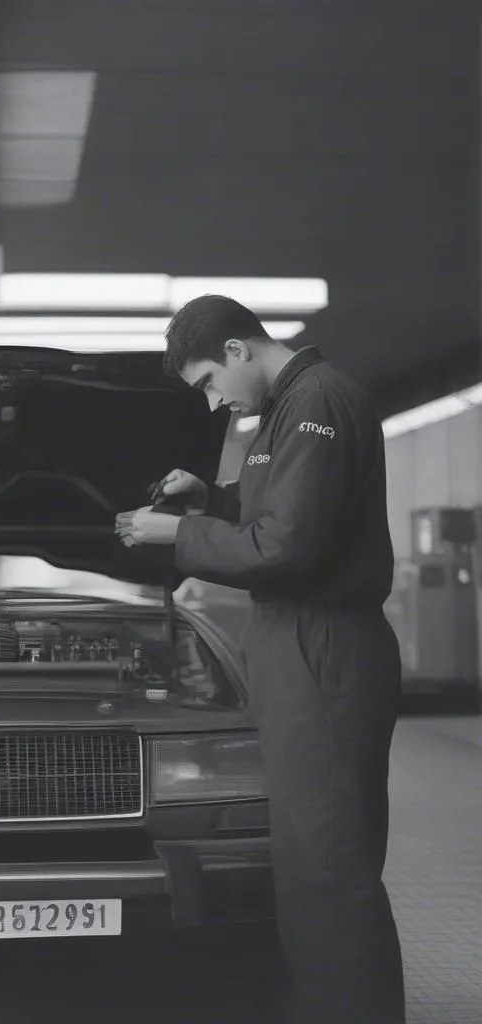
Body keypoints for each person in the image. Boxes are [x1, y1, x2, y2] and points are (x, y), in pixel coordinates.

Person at [114, 295, 405, 1024]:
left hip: (325, 647)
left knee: (331, 869)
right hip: (296, 646)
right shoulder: (282, 411)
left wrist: (175, 535)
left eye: (210, 380)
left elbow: (286, 546)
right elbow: (281, 506)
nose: (213, 401)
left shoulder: (320, 404)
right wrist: (209, 495)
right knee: (306, 865)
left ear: (240, 349)